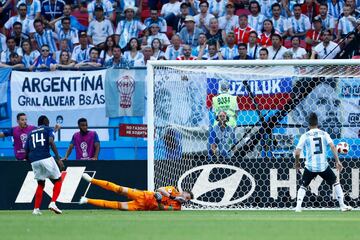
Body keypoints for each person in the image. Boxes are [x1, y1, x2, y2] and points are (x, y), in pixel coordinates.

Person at [294, 112, 352, 212]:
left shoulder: (305, 135)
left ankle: (298, 207)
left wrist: (297, 163)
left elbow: (297, 152)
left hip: (310, 167)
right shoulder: (324, 134)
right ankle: (342, 205)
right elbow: (333, 146)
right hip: (323, 166)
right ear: (318, 123)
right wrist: (337, 161)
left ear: (308, 124)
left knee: (303, 186)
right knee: (335, 183)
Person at [78, 173, 193, 211]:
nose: (185, 199)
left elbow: (162, 208)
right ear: (183, 193)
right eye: (186, 197)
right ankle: (91, 179)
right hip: (143, 195)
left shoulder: (177, 208)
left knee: (116, 205)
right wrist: (172, 197)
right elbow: (160, 189)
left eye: (187, 200)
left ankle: (87, 200)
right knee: (119, 189)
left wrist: (159, 201)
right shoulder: (172, 190)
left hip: (142, 206)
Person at [25, 115, 64, 215]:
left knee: (41, 183)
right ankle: (53, 203)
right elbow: (50, 141)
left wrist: (31, 161)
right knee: (58, 180)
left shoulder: (31, 133)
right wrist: (58, 158)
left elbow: (26, 150)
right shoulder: (47, 128)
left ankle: (36, 209)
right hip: (45, 156)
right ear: (46, 122)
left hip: (34, 159)